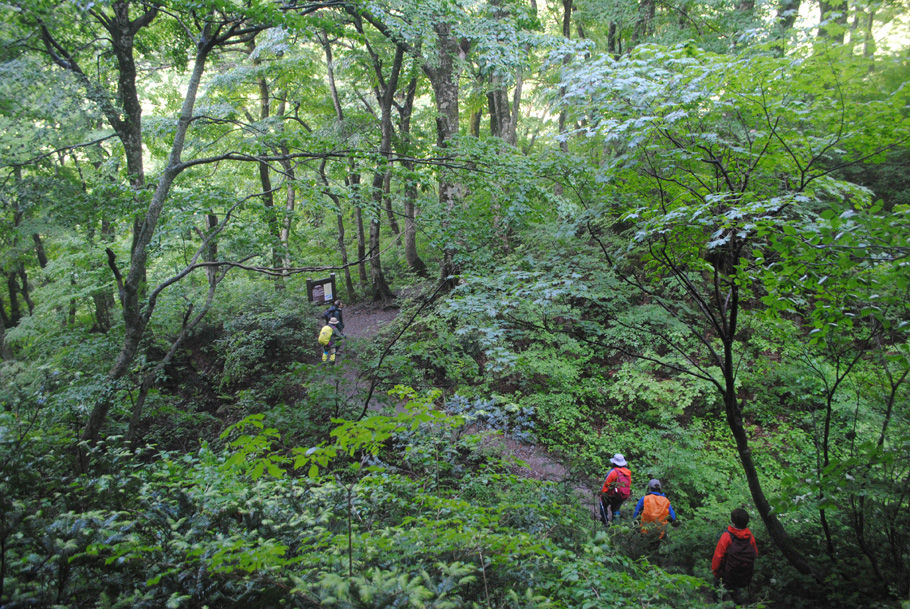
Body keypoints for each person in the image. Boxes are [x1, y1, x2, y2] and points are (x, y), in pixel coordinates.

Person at [712, 508, 758, 605]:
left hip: (727, 575)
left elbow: (718, 556)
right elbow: (755, 554)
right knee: (737, 595)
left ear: (733, 521)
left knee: (717, 593)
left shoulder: (727, 536)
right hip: (744, 575)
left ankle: (718, 604)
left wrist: (715, 572)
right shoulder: (750, 537)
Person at [599, 453, 631, 525]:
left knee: (603, 505)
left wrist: (601, 494)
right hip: (622, 495)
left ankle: (605, 522)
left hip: (612, 495)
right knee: (616, 509)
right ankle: (616, 526)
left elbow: (606, 485)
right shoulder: (628, 473)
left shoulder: (613, 472)